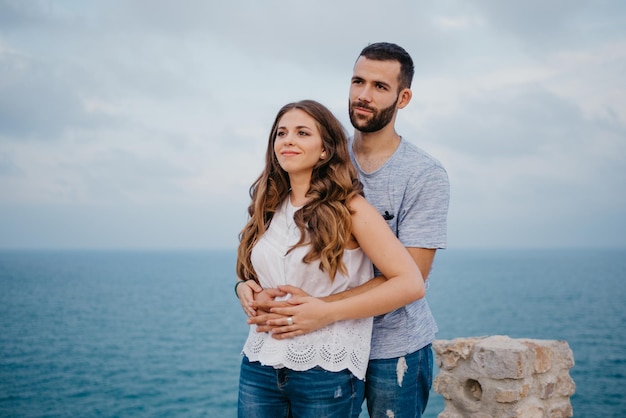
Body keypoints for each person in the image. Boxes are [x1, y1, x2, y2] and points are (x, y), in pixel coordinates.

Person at [238, 43, 450, 418]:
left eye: (380, 87)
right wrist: (246, 287)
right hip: (312, 344)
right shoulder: (319, 155)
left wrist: (318, 310)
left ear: (404, 98)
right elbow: (276, 245)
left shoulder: (423, 175)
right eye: (358, 81)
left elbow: (412, 275)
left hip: (393, 345)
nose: (364, 95)